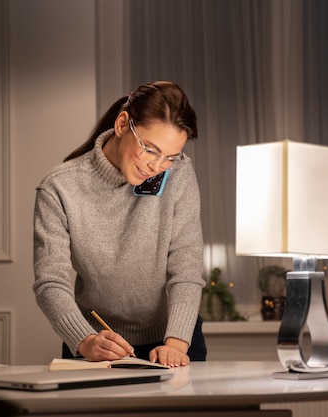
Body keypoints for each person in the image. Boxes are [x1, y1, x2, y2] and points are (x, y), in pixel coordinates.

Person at [33, 81, 206, 367]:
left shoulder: (179, 175)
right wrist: (85, 340)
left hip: (172, 337)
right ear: (123, 124)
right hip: (95, 341)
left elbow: (186, 268)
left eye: (170, 157)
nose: (156, 166)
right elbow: (51, 281)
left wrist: (175, 343)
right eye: (150, 150)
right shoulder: (59, 187)